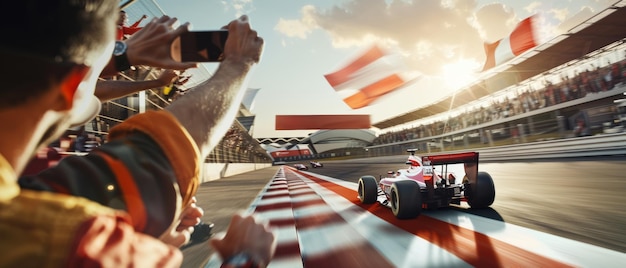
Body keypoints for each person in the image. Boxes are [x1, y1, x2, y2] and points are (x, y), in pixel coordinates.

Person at [2, 1, 275, 267]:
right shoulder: (75, 241)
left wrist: (123, 54)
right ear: (74, 85)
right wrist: (244, 258)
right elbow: (157, 152)